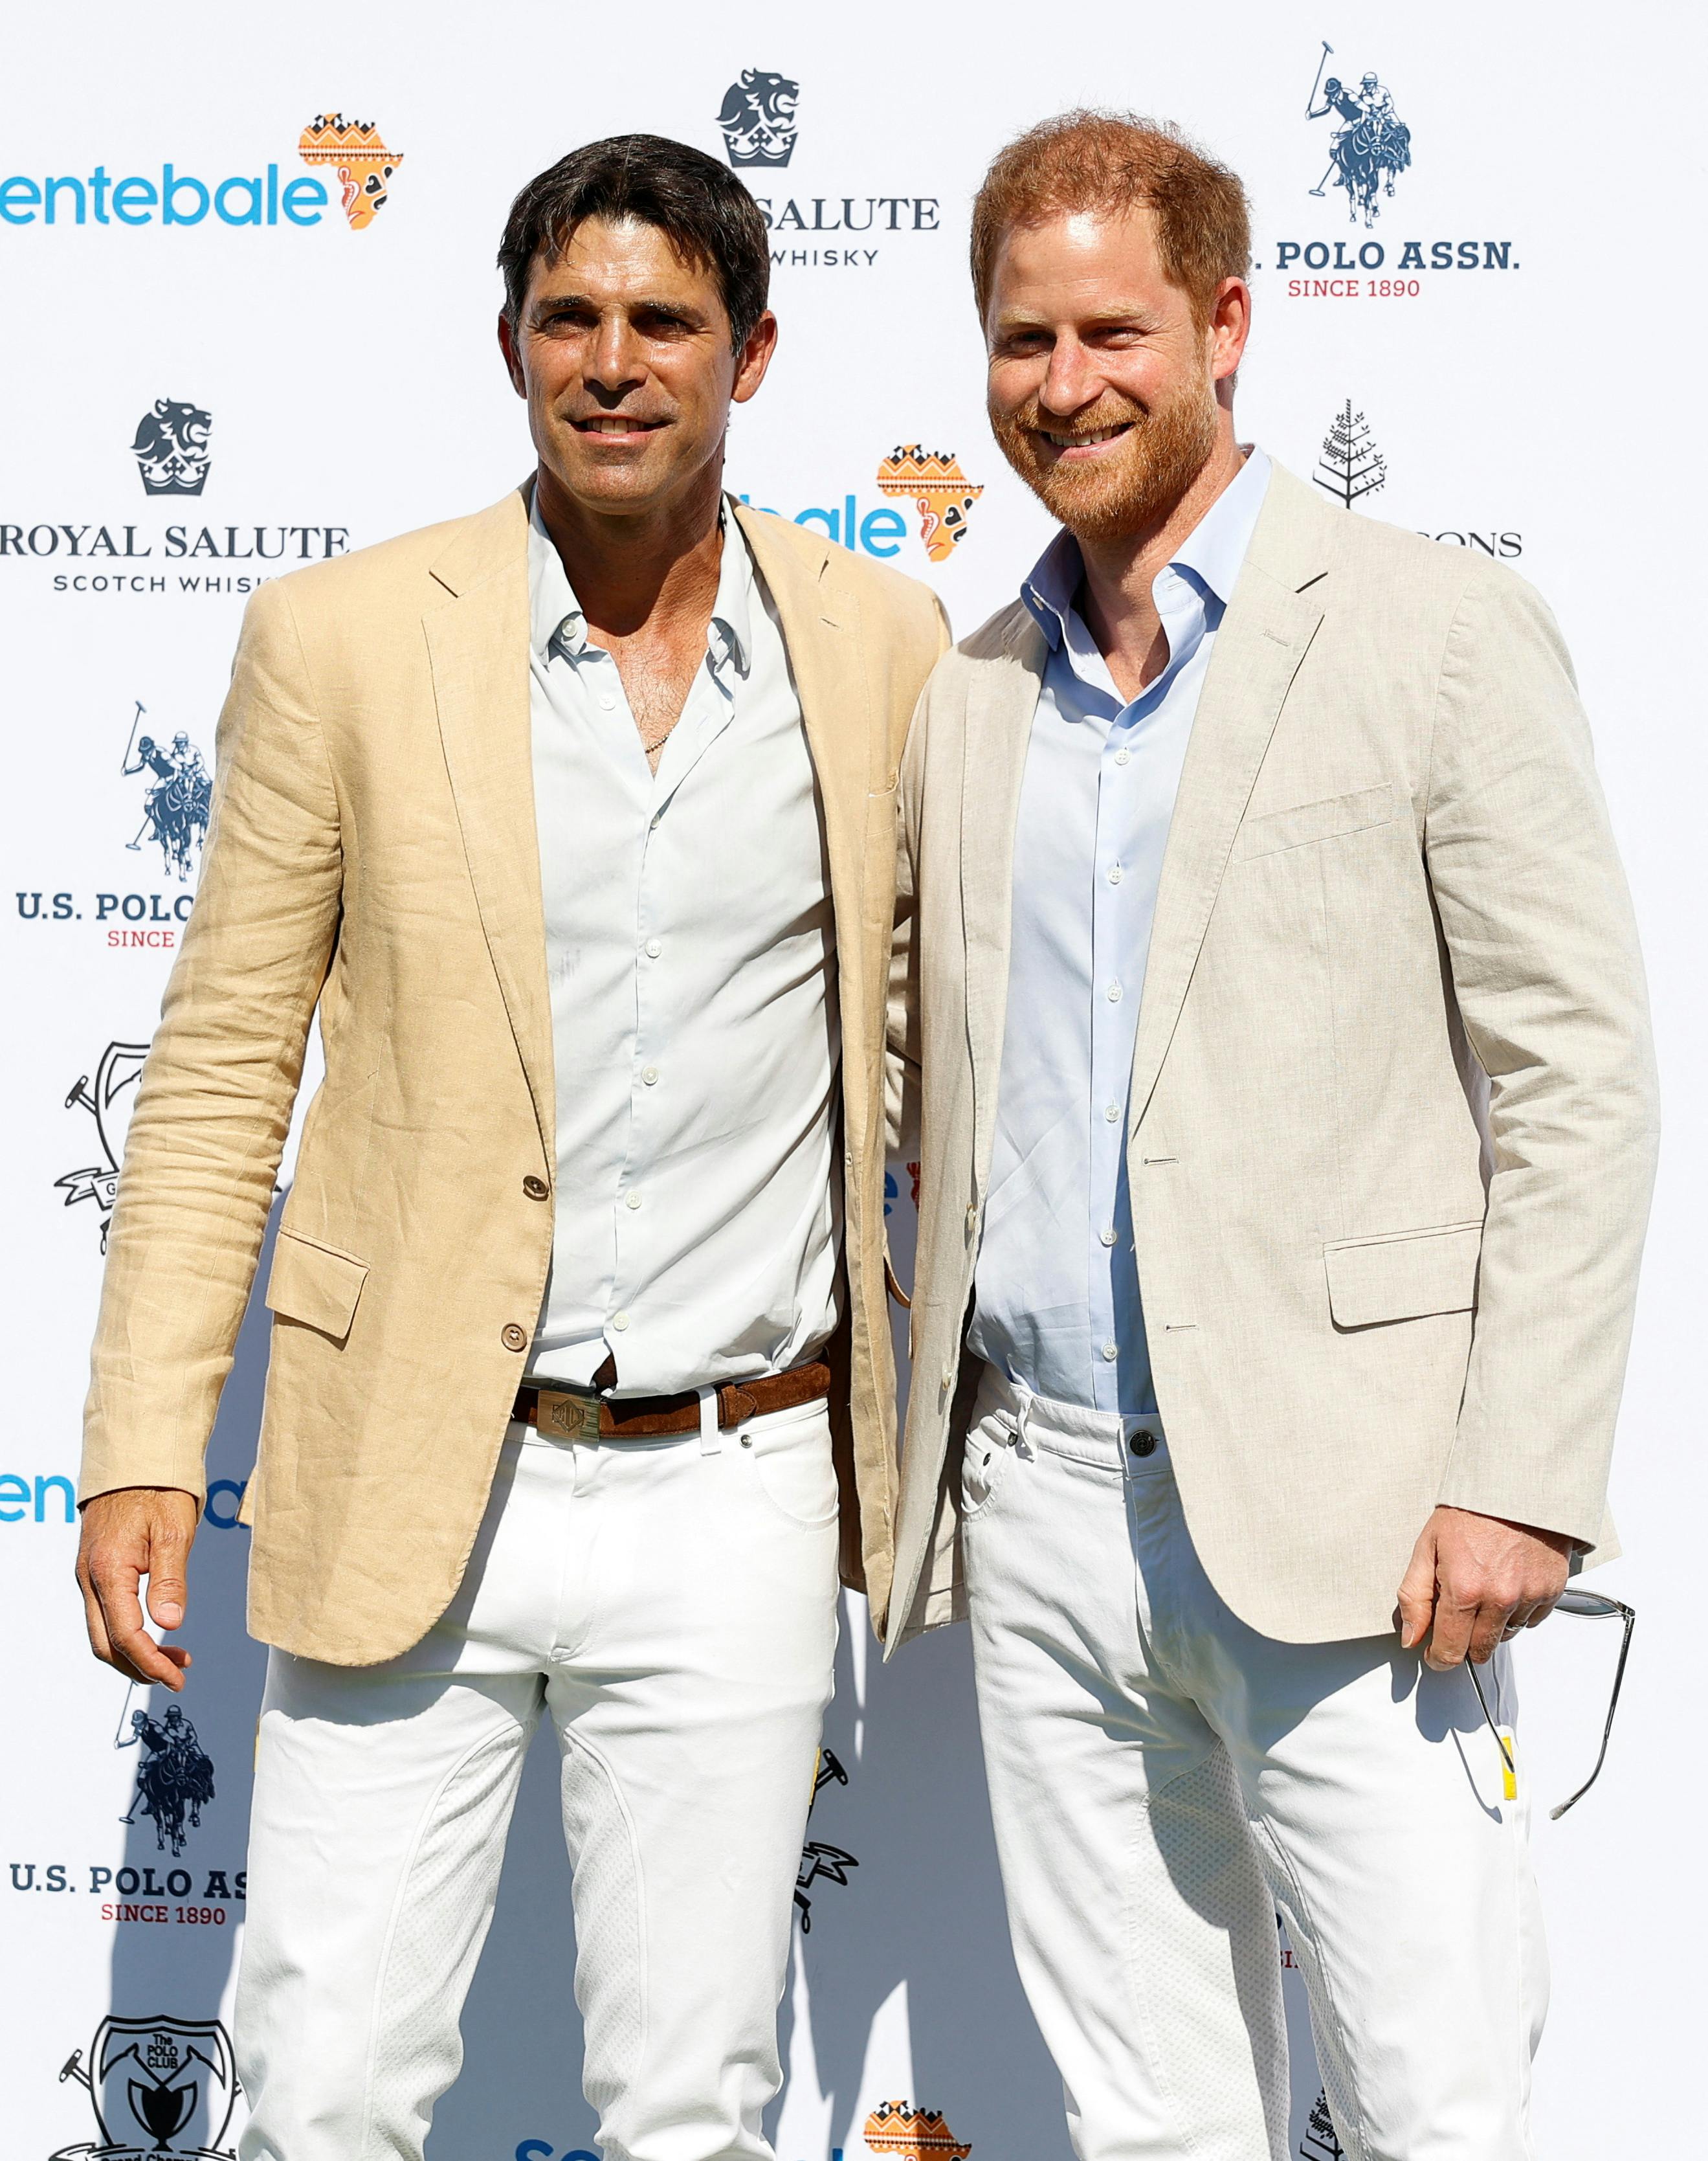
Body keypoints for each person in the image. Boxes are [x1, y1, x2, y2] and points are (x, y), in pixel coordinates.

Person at [74, 132, 944, 2161]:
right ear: (509, 343)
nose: (616, 361)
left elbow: (941, 1049)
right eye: (574, 317)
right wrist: (136, 1437)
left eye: (667, 322)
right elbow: (217, 1065)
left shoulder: (882, 645)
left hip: (738, 1481)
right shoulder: (346, 637)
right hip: (414, 1483)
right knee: (329, 2092)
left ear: (754, 354)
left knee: (692, 2104)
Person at [887, 111, 1656, 2159]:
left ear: (1227, 323)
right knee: (1145, 2117)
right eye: (1022, 339)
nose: (1066, 386)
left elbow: (1577, 1072)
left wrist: (1519, 1478)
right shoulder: (972, 694)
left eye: (1113, 331)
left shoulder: (1429, 627)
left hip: (1366, 1518)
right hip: (1041, 1505)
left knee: (1437, 2104)